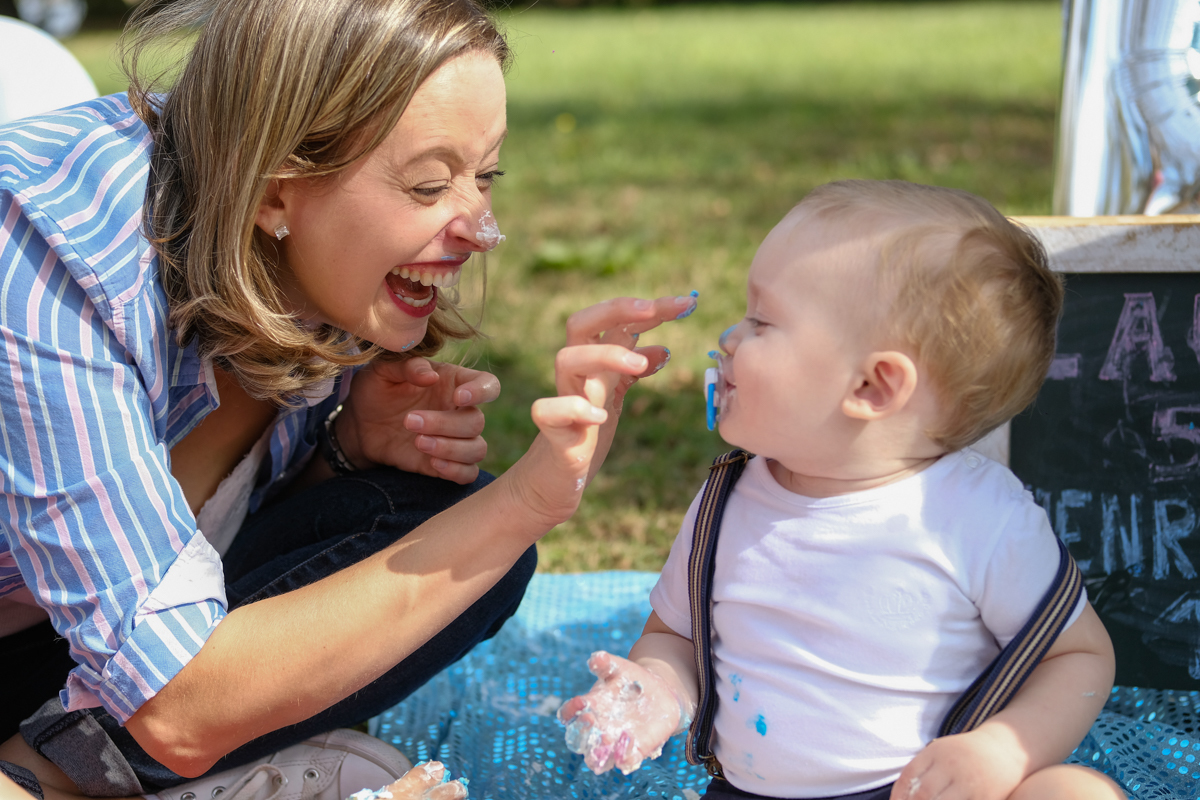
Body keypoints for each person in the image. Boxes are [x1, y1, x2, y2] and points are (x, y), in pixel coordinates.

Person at [0, 0, 700, 798]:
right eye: (430, 184)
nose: (482, 230)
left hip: (68, 634)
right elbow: (173, 706)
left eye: (484, 177)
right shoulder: (50, 260)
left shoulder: (277, 214)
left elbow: (173, 536)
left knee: (452, 531)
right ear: (275, 189)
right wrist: (529, 501)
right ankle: (44, 779)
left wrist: (341, 454)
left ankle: (49, 764)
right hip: (53, 646)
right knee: (484, 532)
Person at [557, 180, 1128, 800]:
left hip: (919, 792)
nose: (729, 337)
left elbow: (1077, 656)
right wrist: (656, 689)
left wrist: (1003, 749)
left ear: (872, 387)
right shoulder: (726, 501)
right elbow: (675, 637)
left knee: (1076, 792)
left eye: (761, 320)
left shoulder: (978, 518)